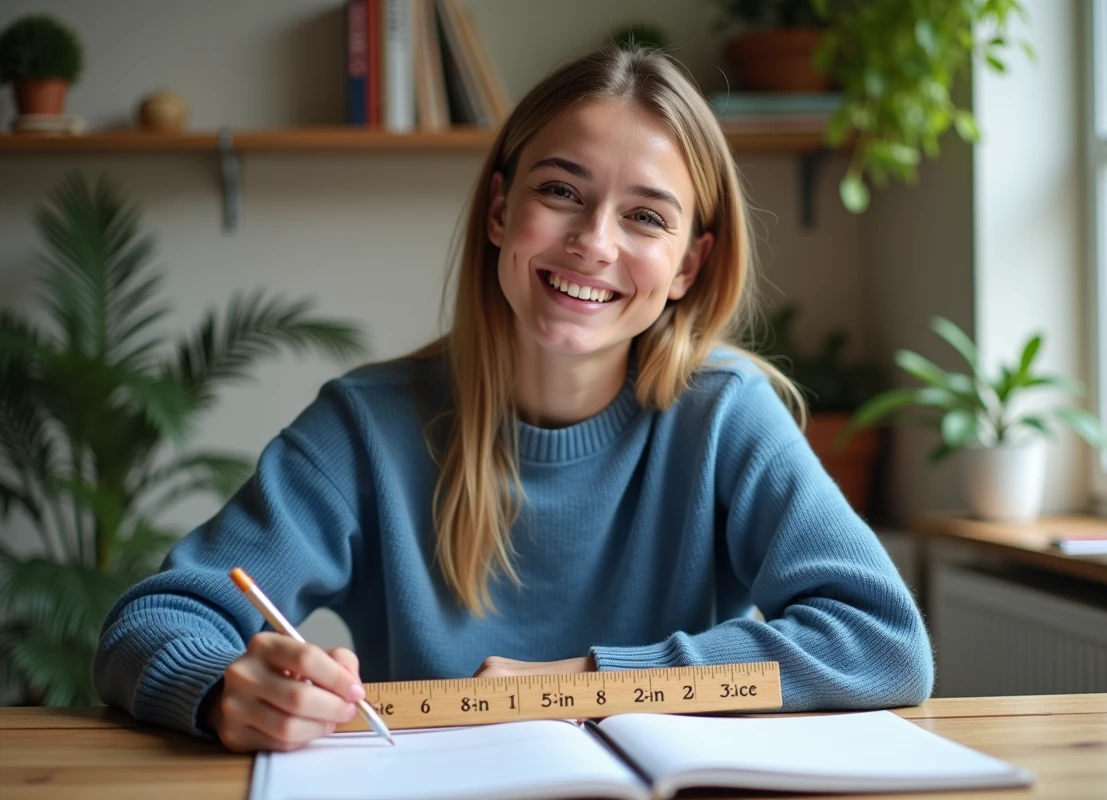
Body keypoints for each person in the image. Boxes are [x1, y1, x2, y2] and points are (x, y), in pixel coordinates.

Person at [93, 44, 934, 753]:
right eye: (561, 192)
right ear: (500, 208)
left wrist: (586, 683)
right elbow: (154, 620)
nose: (593, 243)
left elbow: (883, 642)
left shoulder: (725, 417)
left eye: (646, 217)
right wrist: (218, 689)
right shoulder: (363, 427)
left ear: (687, 267)